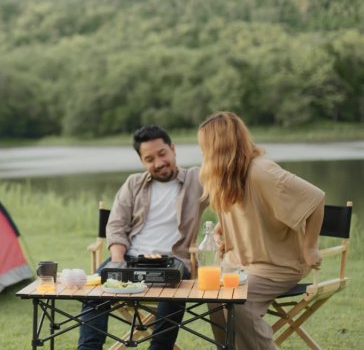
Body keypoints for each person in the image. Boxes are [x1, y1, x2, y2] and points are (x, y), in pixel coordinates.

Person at [197, 111, 325, 350]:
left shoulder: (261, 171)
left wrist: (310, 248)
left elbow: (315, 198)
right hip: (238, 262)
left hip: (276, 265)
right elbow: (246, 211)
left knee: (238, 298)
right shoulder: (224, 175)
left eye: (204, 146)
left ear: (219, 146)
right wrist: (221, 230)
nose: (202, 153)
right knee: (213, 296)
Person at [77, 125, 207, 350]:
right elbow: (116, 226)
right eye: (149, 159)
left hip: (172, 261)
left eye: (162, 154)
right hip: (130, 259)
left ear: (173, 149)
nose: (158, 163)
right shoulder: (133, 184)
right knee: (95, 292)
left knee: (172, 292)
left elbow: (229, 191)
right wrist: (118, 261)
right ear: (142, 161)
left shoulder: (197, 179)